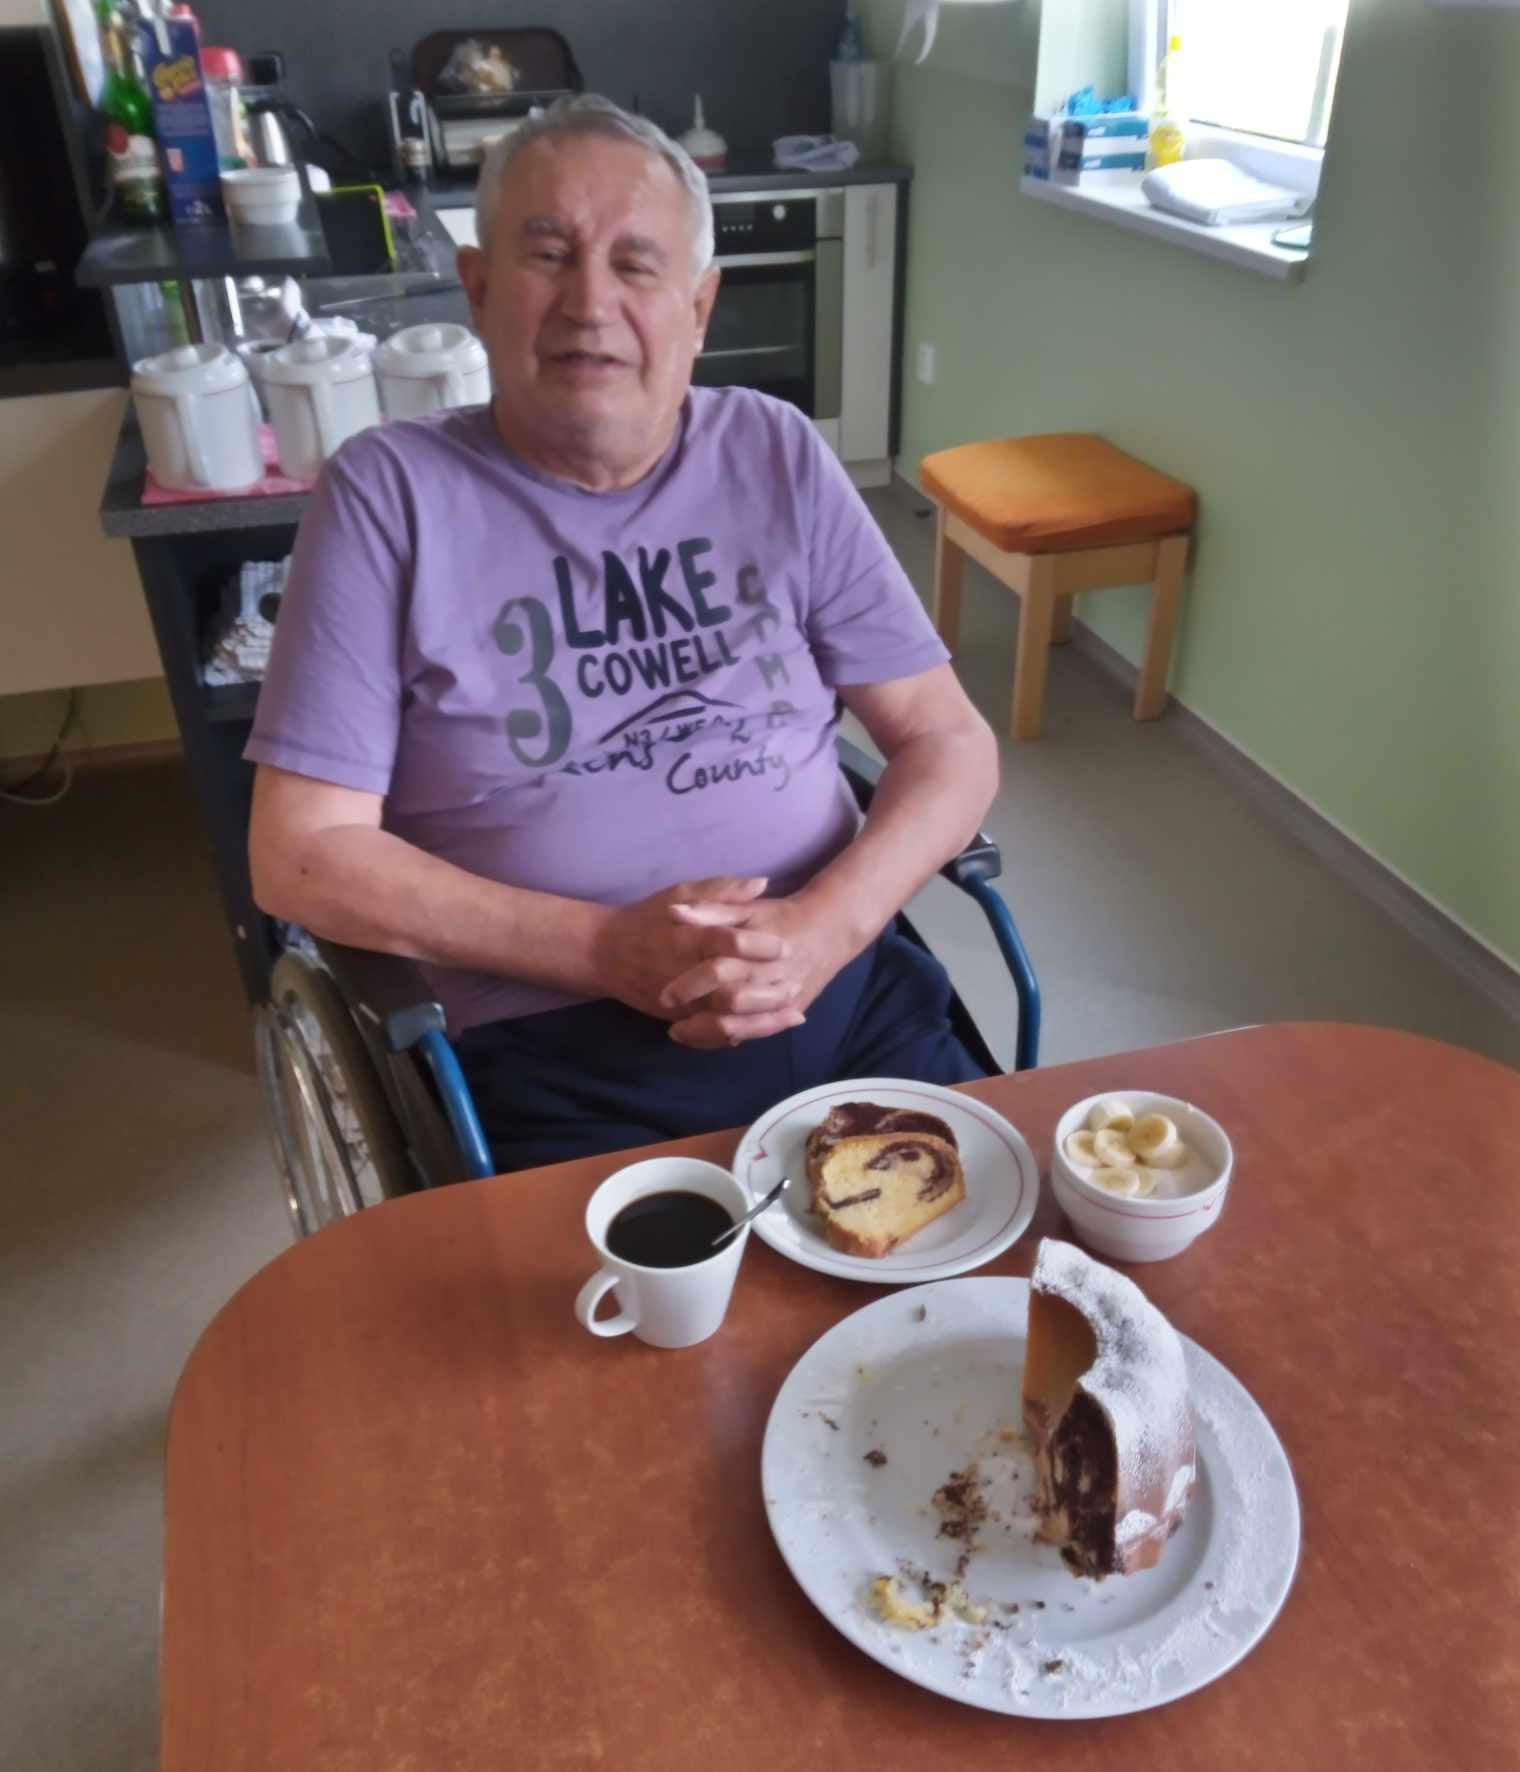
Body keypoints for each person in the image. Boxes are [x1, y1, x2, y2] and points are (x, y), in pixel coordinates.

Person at [245, 95, 999, 1172]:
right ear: (478, 289)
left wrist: (828, 927)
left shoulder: (776, 452)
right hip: (549, 1047)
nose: (590, 303)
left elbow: (948, 739)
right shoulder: (390, 495)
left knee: (1005, 1248)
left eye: (637, 265)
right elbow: (300, 855)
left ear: (699, 307)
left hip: (837, 992)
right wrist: (602, 948)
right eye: (549, 255)